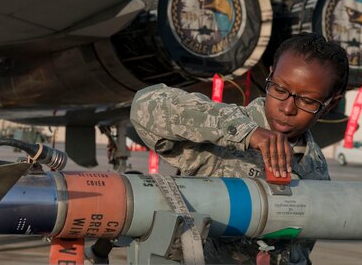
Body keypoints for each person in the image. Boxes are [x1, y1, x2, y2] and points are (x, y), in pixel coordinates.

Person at [130, 32, 349, 264]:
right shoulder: (220, 139)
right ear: (271, 75)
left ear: (330, 103)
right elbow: (145, 106)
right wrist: (245, 132)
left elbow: (299, 251)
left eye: (307, 101)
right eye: (280, 89)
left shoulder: (316, 171)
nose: (287, 108)